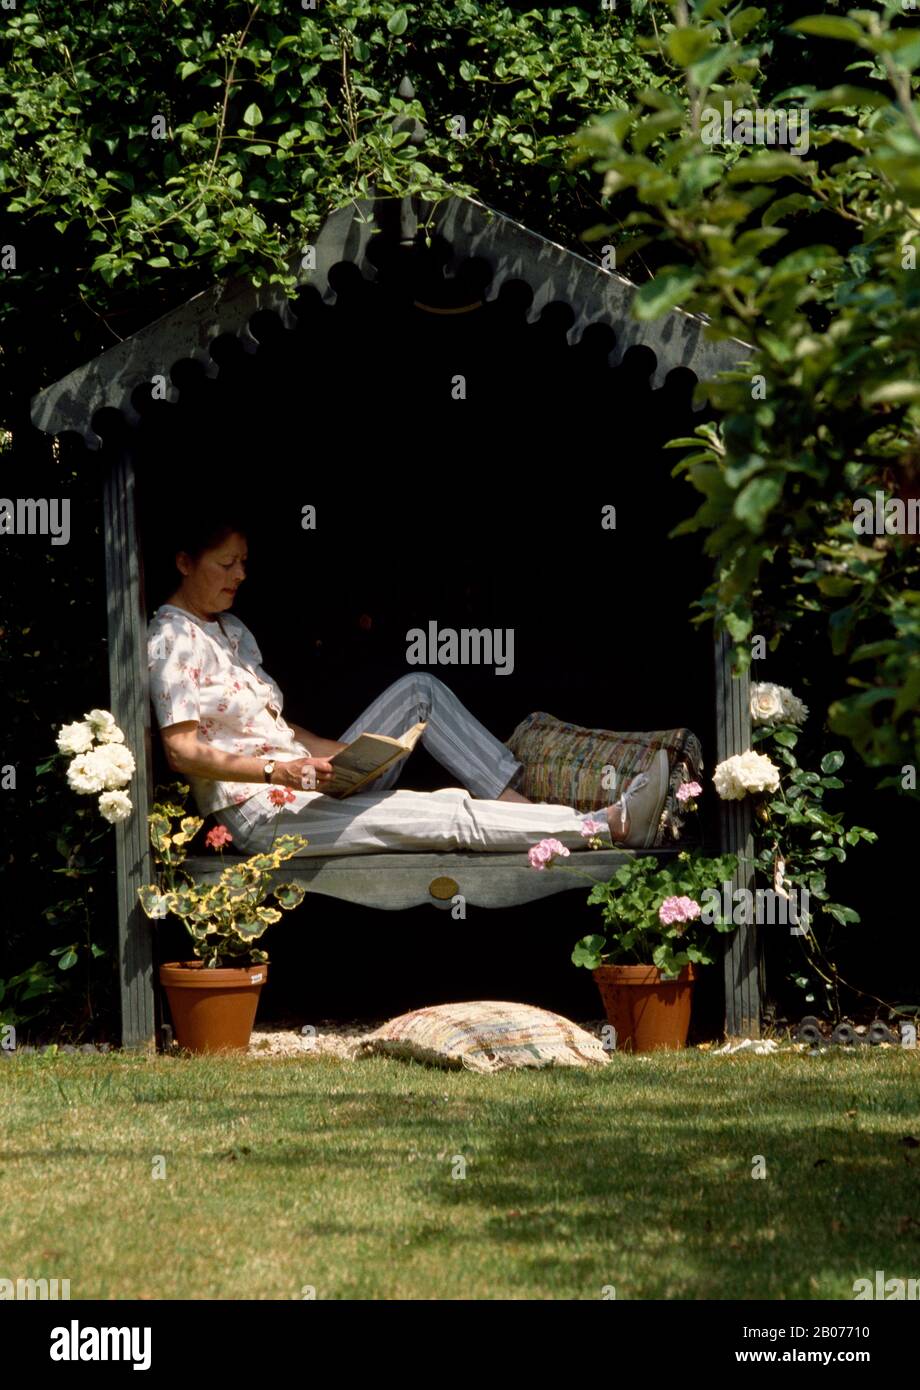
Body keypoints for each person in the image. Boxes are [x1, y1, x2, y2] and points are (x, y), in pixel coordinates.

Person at [146, 519, 670, 857]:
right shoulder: (170, 637)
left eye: (244, 561)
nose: (240, 574)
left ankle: (520, 805)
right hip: (263, 814)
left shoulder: (230, 628)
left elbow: (276, 727)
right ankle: (610, 824)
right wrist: (276, 770)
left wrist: (345, 757)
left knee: (420, 689)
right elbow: (181, 750)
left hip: (305, 783)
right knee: (444, 812)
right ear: (184, 562)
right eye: (226, 563)